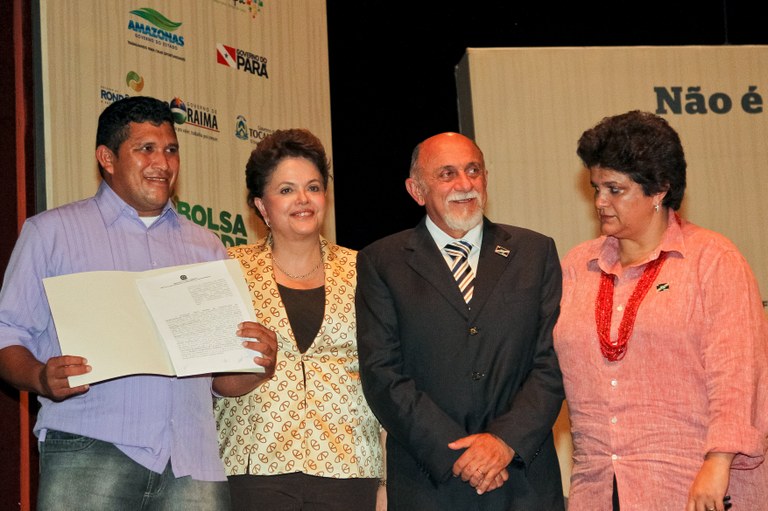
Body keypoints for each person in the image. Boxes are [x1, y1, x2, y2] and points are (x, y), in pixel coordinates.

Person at [0, 96, 276, 509]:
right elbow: (7, 335)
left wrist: (257, 366)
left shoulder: (207, 247)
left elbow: (219, 381)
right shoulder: (51, 233)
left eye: (171, 149)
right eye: (146, 148)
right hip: (89, 449)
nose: (162, 163)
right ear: (107, 158)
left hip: (192, 461)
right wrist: (40, 377)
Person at [554, 110, 768, 511]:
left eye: (615, 189)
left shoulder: (713, 260)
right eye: (596, 188)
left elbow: (738, 372)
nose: (600, 202)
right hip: (597, 486)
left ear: (659, 190)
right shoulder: (576, 266)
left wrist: (718, 461)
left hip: (690, 485)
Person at [356, 132, 566, 510]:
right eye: (447, 174)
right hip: (429, 482)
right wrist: (456, 453)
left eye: (473, 170)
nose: (464, 184)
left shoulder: (535, 252)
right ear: (416, 190)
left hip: (523, 477)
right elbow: (381, 373)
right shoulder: (382, 262)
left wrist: (504, 442)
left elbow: (553, 361)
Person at [213, 128, 386, 511]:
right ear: (261, 205)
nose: (303, 199)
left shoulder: (365, 270)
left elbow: (385, 377)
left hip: (349, 467)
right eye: (287, 190)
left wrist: (387, 482)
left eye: (313, 187)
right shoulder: (229, 268)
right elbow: (211, 379)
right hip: (254, 466)